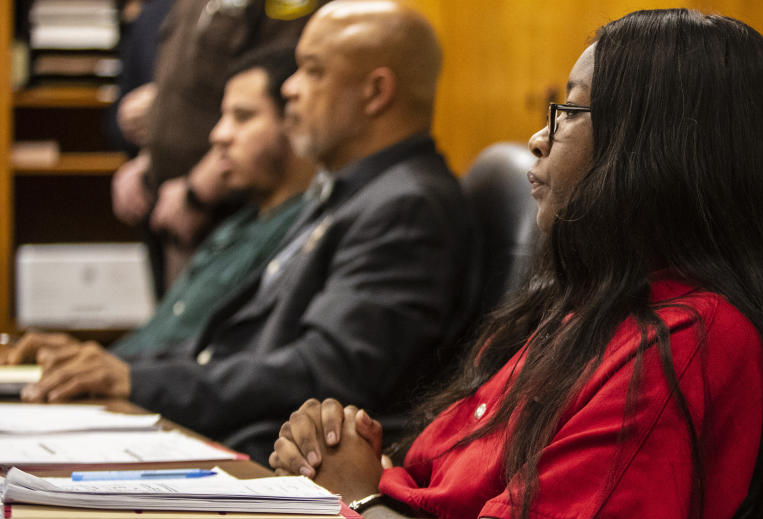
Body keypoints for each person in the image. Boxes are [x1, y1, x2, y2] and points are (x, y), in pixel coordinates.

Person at [270, 8, 763, 519]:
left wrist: (358, 496)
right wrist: (341, 451)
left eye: (568, 113)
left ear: (657, 145)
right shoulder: (593, 304)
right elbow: (435, 485)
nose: (539, 139)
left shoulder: (688, 340)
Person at [7, 0, 479, 465]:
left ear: (375, 93)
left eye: (312, 71)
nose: (290, 89)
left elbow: (324, 374)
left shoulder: (407, 205)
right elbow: (231, 347)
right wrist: (114, 366)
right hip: (229, 437)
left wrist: (136, 382)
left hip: (263, 463)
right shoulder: (352, 191)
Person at [4, 48, 312, 366]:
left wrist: (113, 371)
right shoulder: (240, 224)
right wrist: (80, 358)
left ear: (294, 121)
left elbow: (219, 364)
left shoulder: (302, 232)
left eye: (243, 117)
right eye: (223, 117)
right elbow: (161, 340)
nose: (219, 135)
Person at [111, 0, 317, 294]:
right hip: (167, 200)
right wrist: (148, 160)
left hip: (225, 206)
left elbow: (277, 87)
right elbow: (190, 89)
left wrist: (197, 191)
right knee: (170, 327)